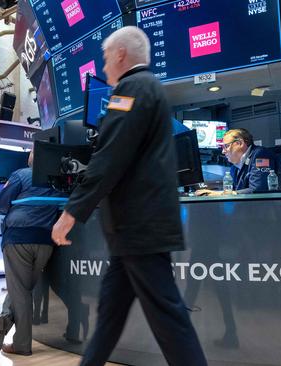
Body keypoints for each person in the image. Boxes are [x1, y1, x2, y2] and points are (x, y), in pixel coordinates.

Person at [51, 26, 207, 366]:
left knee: (169, 320)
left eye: (106, 58)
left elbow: (108, 158)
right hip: (135, 232)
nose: (104, 67)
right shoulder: (150, 89)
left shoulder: (130, 89)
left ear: (121, 54)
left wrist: (71, 212)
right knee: (110, 315)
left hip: (139, 230)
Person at [0, 151, 62, 358]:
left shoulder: (20, 174)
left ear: (30, 160)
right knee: (23, 289)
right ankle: (6, 318)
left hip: (18, 237)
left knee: (20, 291)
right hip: (46, 241)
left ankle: (20, 342)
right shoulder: (58, 180)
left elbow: (1, 203)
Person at [195, 128, 281, 196]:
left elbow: (257, 189)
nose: (223, 151)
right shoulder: (234, 168)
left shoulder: (261, 155)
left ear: (240, 143)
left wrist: (216, 194)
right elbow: (233, 192)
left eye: (226, 146)